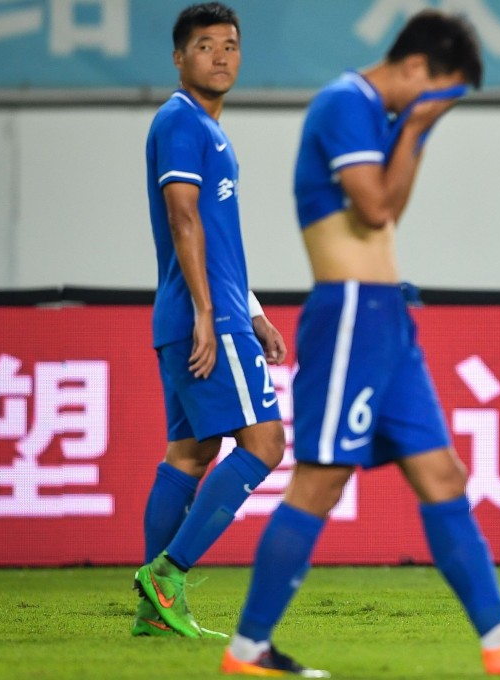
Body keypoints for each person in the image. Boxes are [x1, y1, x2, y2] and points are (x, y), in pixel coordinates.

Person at [220, 12, 500, 678]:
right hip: (351, 314)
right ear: (417, 69)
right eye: (442, 93)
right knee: (319, 483)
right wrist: (420, 125)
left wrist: (415, 124)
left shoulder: (379, 117)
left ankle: (499, 640)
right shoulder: (343, 103)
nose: (439, 109)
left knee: (443, 475)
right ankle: (248, 650)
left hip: (387, 315)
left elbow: (385, 209)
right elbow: (376, 209)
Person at [133, 2, 287, 639]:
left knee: (191, 452)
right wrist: (211, 312)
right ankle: (166, 575)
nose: (221, 55)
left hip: (204, 310)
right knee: (265, 444)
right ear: (178, 57)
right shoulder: (181, 122)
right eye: (205, 45)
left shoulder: (204, 127)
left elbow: (216, 237)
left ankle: (153, 610)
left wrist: (251, 310)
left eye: (230, 44)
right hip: (203, 314)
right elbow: (183, 220)